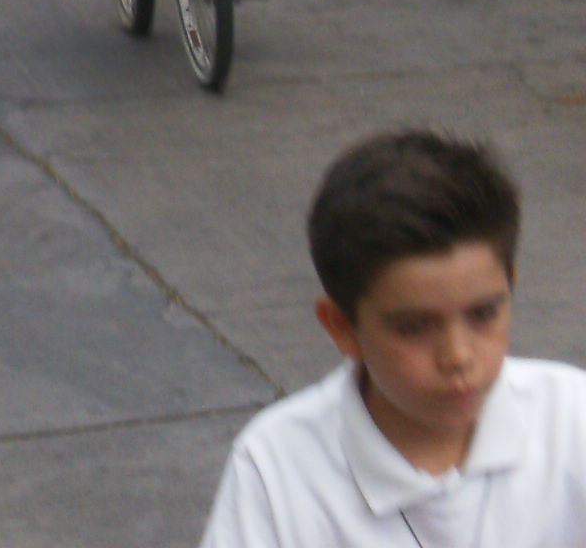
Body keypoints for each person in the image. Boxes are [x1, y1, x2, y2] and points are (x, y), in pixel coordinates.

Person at [197, 129, 586, 547]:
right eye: (414, 327)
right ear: (342, 327)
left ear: (510, 287)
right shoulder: (277, 467)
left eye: (483, 314)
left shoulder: (571, 419)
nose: (457, 356)